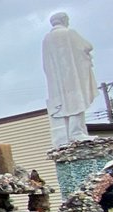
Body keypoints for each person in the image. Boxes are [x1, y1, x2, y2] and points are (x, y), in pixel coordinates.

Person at [41, 12, 96, 146]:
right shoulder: (69, 33)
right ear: (63, 20)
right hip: (73, 75)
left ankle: (69, 134)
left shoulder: (46, 39)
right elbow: (87, 46)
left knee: (65, 106)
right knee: (76, 102)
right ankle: (76, 132)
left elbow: (45, 62)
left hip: (56, 82)